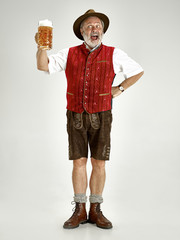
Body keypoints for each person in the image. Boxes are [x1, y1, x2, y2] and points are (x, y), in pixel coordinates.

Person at [35, 9, 144, 229]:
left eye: (98, 26)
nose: (95, 29)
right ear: (82, 31)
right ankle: (79, 209)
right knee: (79, 162)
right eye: (90, 26)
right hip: (75, 113)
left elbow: (138, 71)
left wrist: (120, 88)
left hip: (102, 114)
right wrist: (41, 47)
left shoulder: (114, 53)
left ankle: (95, 210)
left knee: (99, 163)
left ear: (102, 31)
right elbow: (42, 65)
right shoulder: (69, 53)